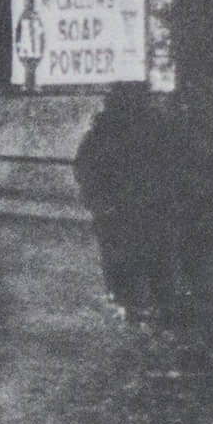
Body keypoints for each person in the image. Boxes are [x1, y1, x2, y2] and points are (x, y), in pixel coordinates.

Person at [73, 85, 174, 321]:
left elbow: (84, 168)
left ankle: (128, 304)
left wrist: (98, 202)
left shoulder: (103, 131)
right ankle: (152, 306)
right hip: (142, 208)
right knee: (151, 257)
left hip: (119, 210)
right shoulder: (156, 128)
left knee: (121, 258)